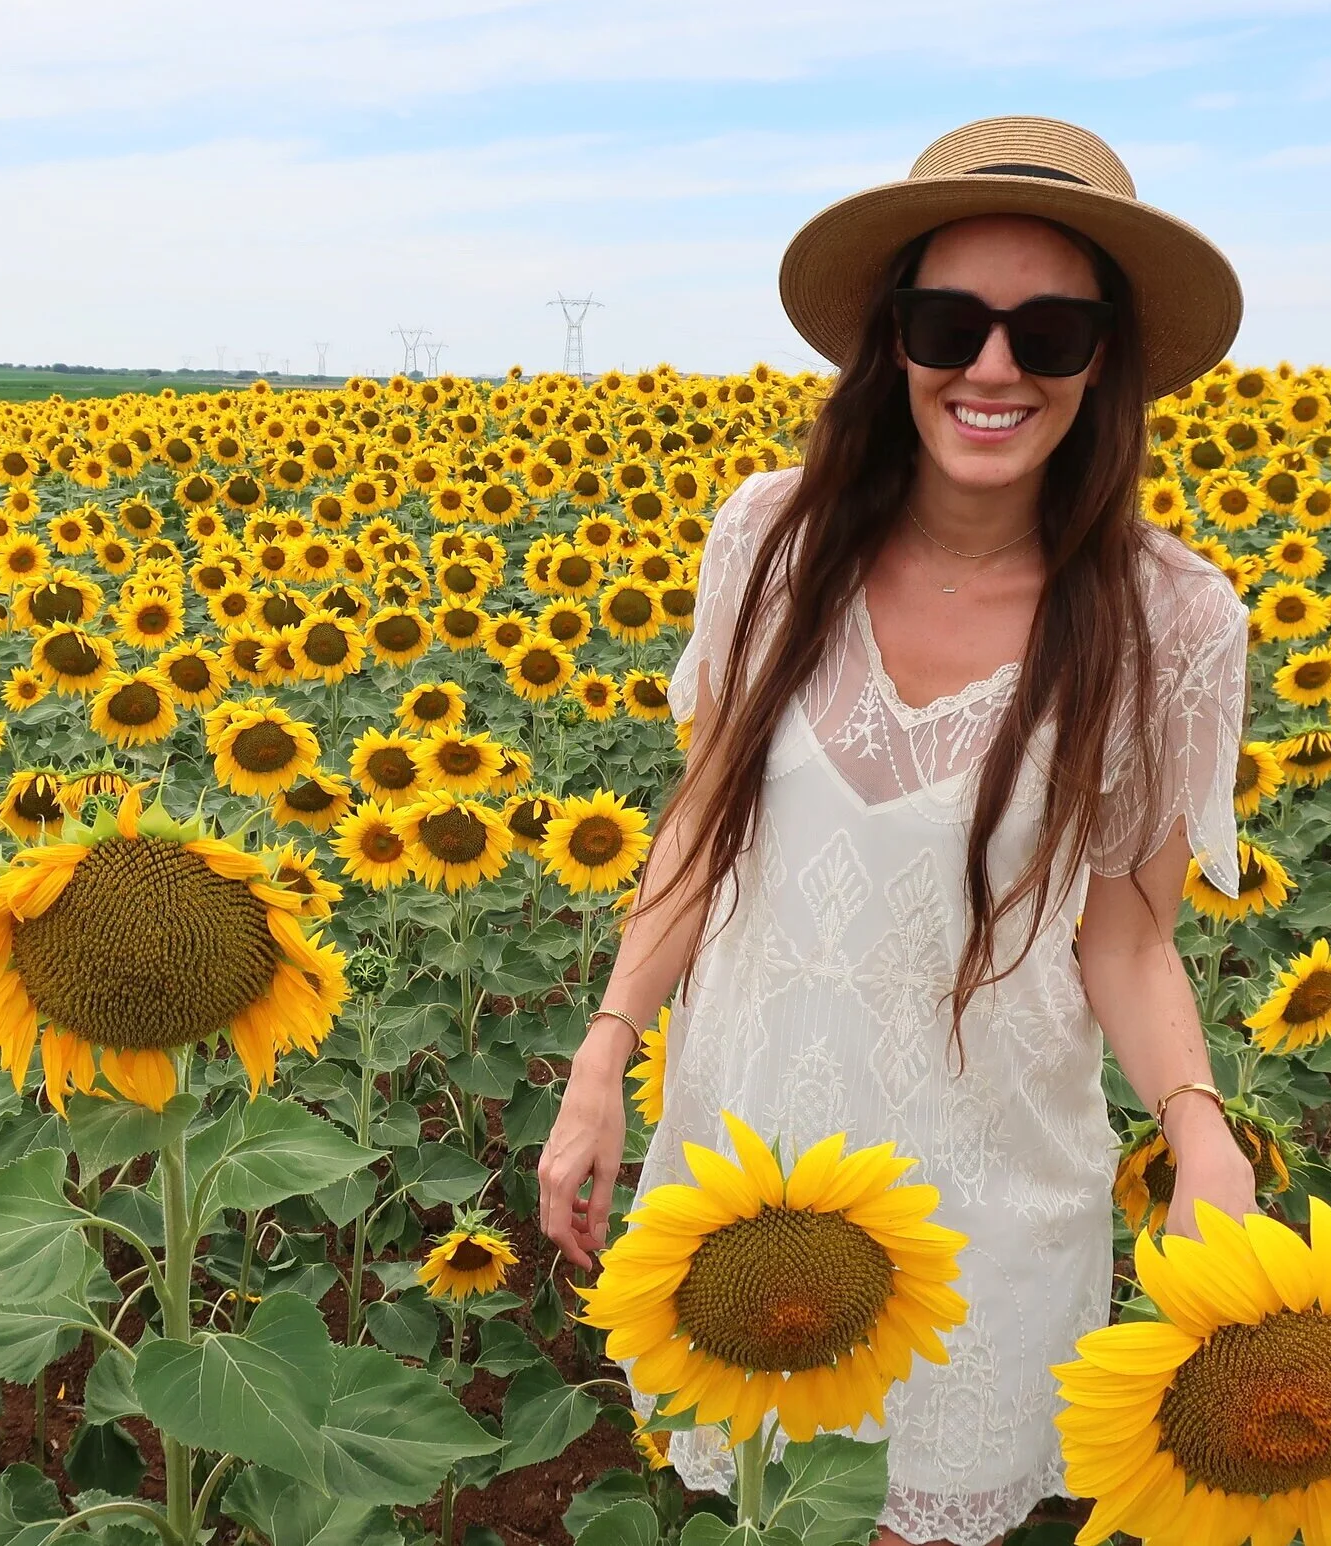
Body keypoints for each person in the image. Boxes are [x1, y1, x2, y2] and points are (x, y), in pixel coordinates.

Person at [537, 116, 1259, 1546]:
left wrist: (1201, 1129)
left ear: (1103, 360)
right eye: (952, 320)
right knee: (754, 1509)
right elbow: (704, 821)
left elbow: (1126, 931)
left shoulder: (1173, 619)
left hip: (979, 1211)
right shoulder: (772, 540)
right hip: (746, 1173)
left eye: (1049, 332)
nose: (994, 368)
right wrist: (605, 1051)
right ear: (895, 339)